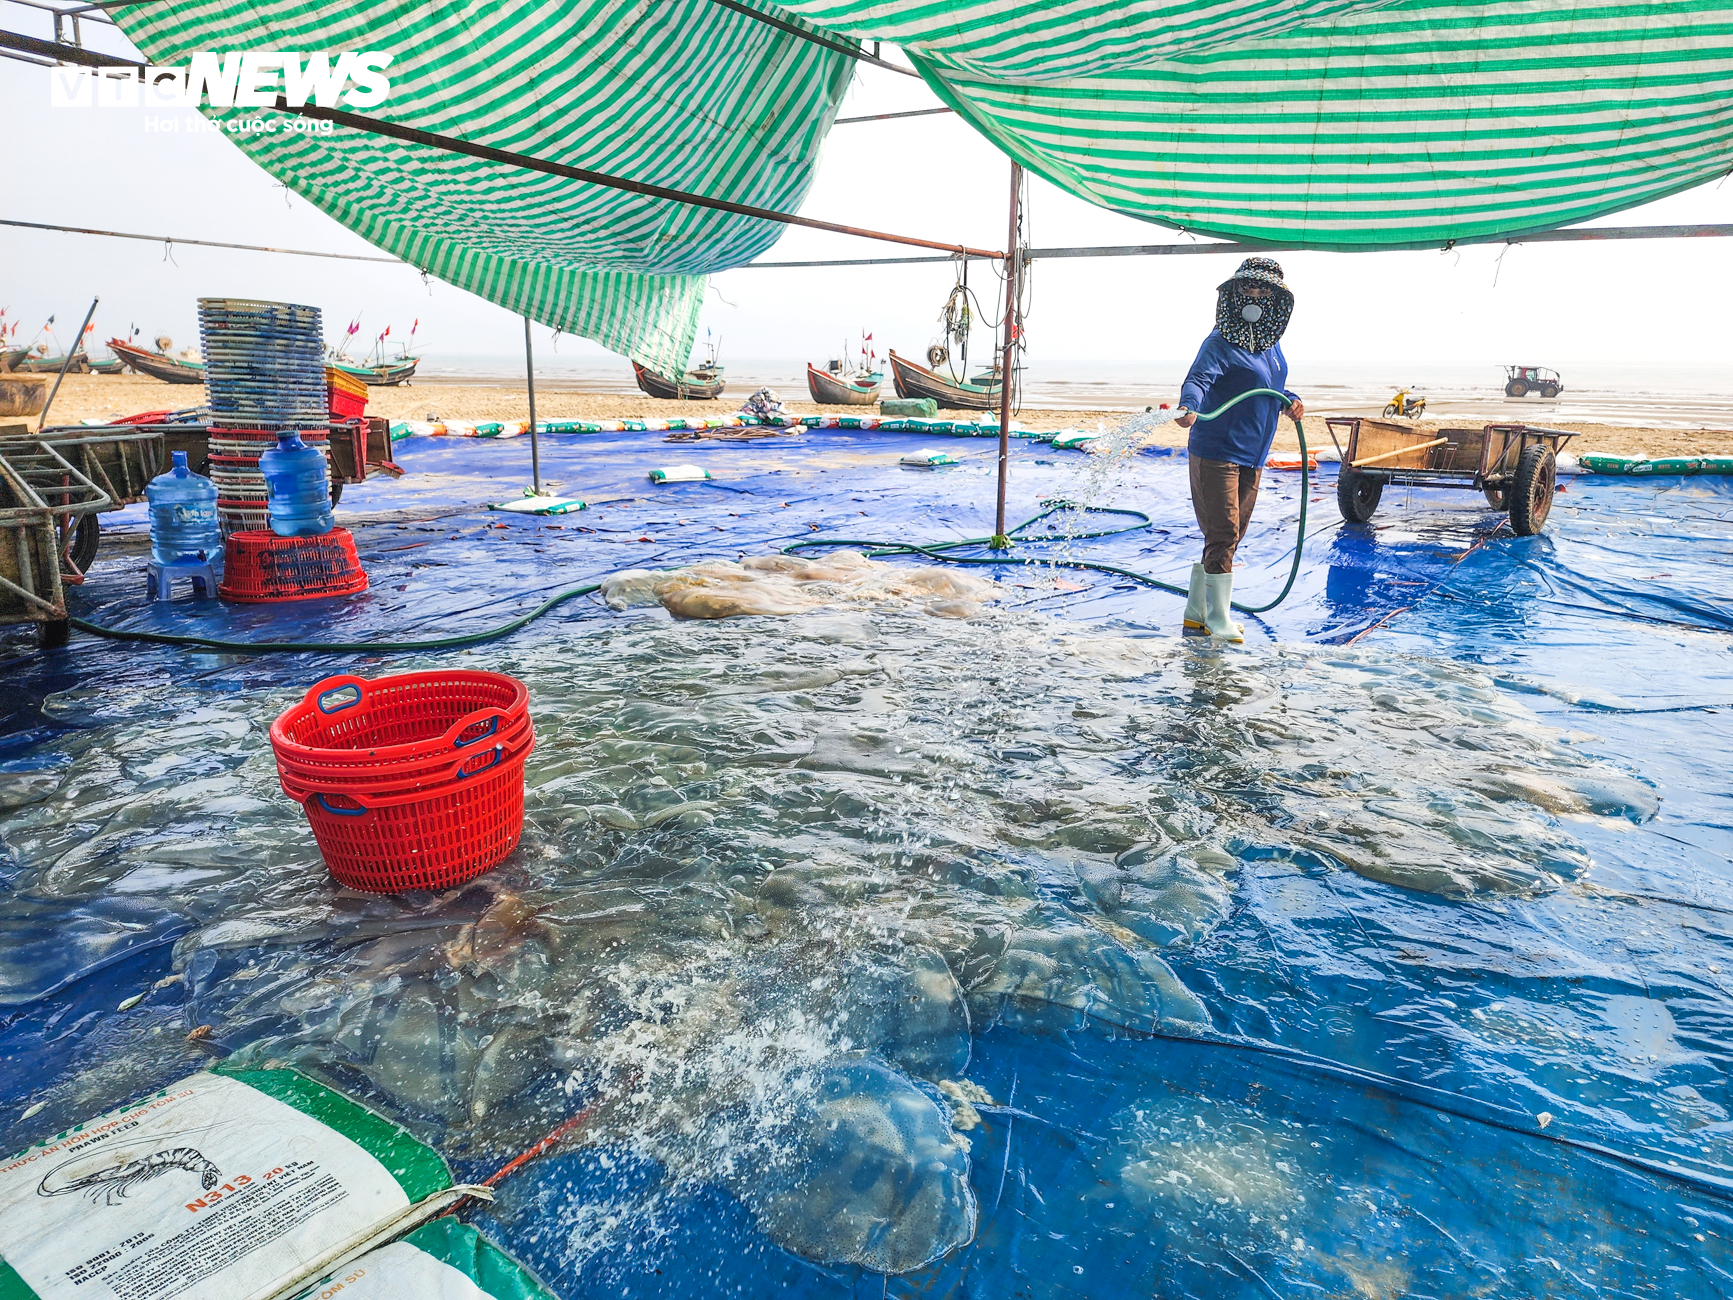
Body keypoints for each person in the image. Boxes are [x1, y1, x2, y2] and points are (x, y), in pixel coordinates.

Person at [1174, 257, 1305, 643]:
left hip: (1253, 454)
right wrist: (1188, 407)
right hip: (1217, 451)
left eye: (1264, 289)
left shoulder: (1271, 345)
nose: (1255, 295)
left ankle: (1196, 612)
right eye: (1249, 287)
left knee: (1231, 534)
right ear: (1234, 293)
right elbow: (1198, 379)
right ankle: (1218, 617)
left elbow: (1273, 386)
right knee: (1224, 531)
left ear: (1276, 299)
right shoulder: (1220, 340)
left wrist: (1291, 399)